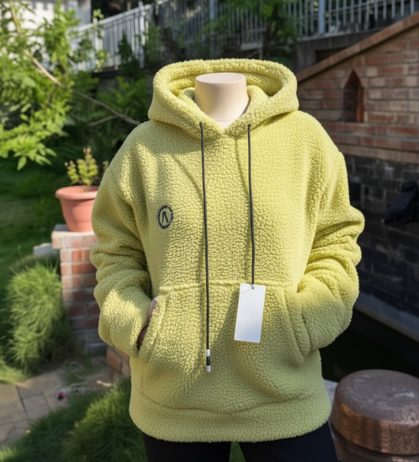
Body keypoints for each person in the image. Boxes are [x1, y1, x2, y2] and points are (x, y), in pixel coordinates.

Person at [90, 58, 365, 462]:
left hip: (286, 391)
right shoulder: (143, 149)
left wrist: (305, 320)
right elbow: (115, 250)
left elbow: (336, 241)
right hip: (174, 398)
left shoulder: (306, 140)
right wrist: (136, 323)